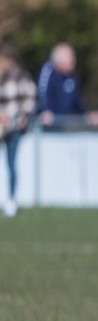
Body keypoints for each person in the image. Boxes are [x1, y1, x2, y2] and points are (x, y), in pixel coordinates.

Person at [0, 39, 36, 217]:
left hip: (13, 128)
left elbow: (29, 101)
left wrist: (21, 117)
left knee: (11, 163)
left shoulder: (21, 76)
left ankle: (11, 199)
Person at [37, 43, 86, 129]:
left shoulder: (72, 76)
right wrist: (45, 110)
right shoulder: (47, 71)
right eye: (70, 58)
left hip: (62, 123)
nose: (73, 61)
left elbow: (77, 101)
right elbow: (42, 93)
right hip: (47, 124)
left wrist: (87, 115)